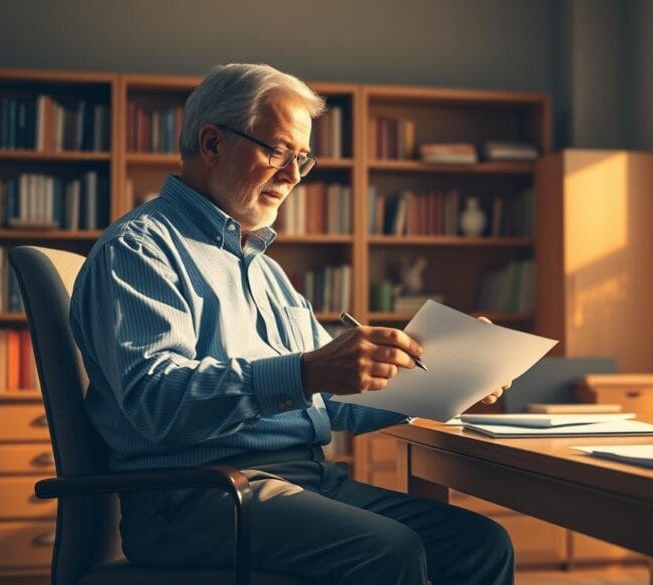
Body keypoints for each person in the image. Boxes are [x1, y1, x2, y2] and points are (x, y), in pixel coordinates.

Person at [69, 63, 514, 585]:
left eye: (302, 158)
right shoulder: (140, 249)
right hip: (196, 496)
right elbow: (157, 402)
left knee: (479, 545)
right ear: (212, 143)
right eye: (279, 152)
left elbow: (335, 397)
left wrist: (448, 376)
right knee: (388, 551)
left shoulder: (266, 269)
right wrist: (305, 372)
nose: (294, 175)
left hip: (302, 480)